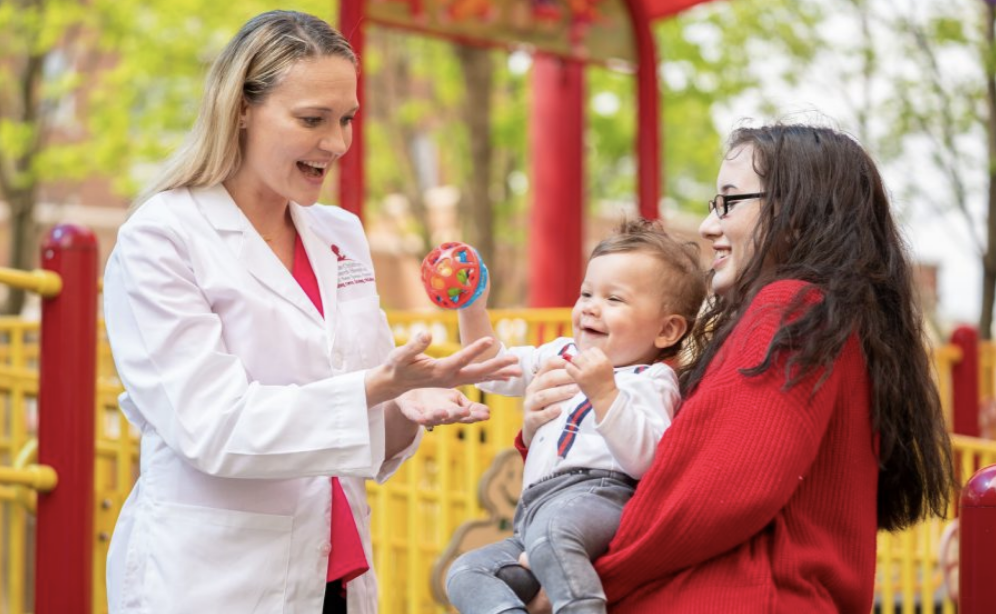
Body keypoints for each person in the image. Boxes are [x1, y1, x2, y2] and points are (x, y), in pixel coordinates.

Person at [102, 11, 520, 614]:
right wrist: (376, 390)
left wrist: (412, 405)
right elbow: (212, 426)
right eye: (312, 120)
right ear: (240, 108)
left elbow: (366, 423)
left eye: (346, 118)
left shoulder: (340, 234)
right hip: (214, 581)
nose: (338, 142)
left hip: (336, 576)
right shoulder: (161, 238)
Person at [519, 123, 954, 613]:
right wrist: (539, 430)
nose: (708, 226)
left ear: (797, 212)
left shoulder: (790, 308)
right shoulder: (835, 324)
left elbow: (713, 493)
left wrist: (579, 579)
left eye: (729, 201)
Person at [445, 220, 708, 614]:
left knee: (553, 534)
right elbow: (490, 370)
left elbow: (648, 461)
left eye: (614, 300)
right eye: (586, 293)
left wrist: (605, 393)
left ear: (667, 330)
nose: (590, 306)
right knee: (466, 572)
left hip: (599, 495)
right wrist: (472, 309)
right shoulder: (561, 353)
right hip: (532, 513)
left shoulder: (651, 380)